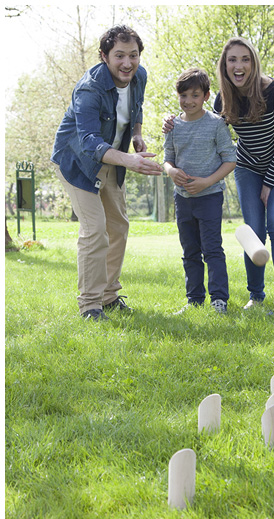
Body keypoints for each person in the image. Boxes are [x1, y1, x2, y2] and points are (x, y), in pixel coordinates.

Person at [163, 37, 274, 314]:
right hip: (248, 167)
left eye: (245, 59)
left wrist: (269, 183)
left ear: (253, 63)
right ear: (224, 66)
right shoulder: (222, 99)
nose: (239, 66)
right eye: (232, 60)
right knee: (253, 229)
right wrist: (171, 120)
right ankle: (256, 295)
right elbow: (199, 123)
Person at [51, 24, 162, 321]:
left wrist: (137, 135)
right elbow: (88, 142)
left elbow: (136, 107)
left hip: (113, 159)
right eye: (119, 56)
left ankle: (109, 296)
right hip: (77, 162)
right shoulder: (90, 88)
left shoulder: (139, 75)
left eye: (133, 55)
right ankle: (90, 305)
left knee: (119, 227)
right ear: (104, 56)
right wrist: (129, 160)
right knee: (95, 230)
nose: (127, 63)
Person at [163, 68, 237, 313]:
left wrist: (207, 182)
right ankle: (194, 300)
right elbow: (168, 160)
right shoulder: (173, 125)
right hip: (183, 199)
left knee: (212, 249)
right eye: (183, 95)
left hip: (209, 197)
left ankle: (219, 300)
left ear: (206, 96)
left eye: (195, 95)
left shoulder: (216, 124)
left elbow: (230, 160)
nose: (188, 101)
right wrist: (172, 172)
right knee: (190, 251)